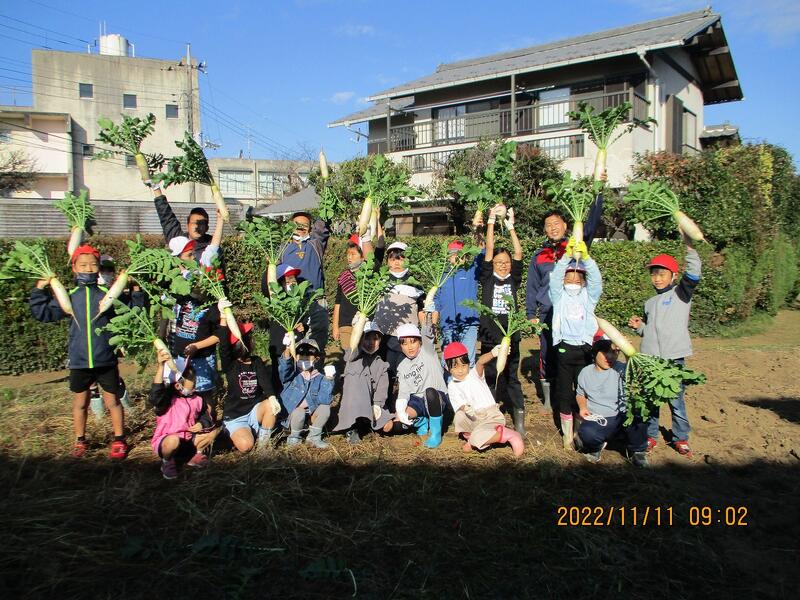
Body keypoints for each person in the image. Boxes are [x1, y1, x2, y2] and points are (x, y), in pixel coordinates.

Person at [29, 245, 128, 459]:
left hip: (105, 359)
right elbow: (43, 313)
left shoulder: (107, 295)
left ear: (98, 268)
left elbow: (129, 312)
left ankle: (119, 439)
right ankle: (80, 440)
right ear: (74, 268)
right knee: (80, 403)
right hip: (79, 360)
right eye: (83, 265)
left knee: (112, 401)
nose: (88, 269)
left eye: (93, 265)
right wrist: (39, 289)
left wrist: (134, 290)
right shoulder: (70, 296)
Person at [525, 196, 603, 412]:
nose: (553, 228)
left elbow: (591, 225)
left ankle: (580, 396)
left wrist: (598, 195)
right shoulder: (539, 255)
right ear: (544, 230)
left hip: (573, 313)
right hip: (547, 313)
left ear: (566, 225)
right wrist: (531, 313)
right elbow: (532, 286)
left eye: (556, 223)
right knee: (547, 354)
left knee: (578, 354)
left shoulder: (575, 248)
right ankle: (551, 399)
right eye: (548, 225)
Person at [628, 231, 701, 457]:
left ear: (673, 276)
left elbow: (694, 272)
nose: (657, 278)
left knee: (675, 401)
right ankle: (651, 435)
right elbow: (650, 331)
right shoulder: (649, 303)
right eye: (654, 274)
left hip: (673, 359)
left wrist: (689, 246)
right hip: (652, 360)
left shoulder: (681, 294)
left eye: (662, 274)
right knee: (652, 400)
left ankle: (681, 438)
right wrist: (639, 327)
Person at [164, 212, 226, 413]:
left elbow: (213, 247)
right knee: (181, 392)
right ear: (177, 259)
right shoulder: (170, 281)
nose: (194, 258)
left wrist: (220, 221)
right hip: (179, 349)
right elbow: (166, 316)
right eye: (189, 255)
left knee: (205, 392)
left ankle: (208, 422)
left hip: (202, 348)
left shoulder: (200, 272)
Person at [548, 239, 603, 449]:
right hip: (564, 348)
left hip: (584, 349)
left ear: (582, 281)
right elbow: (554, 279)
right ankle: (567, 436)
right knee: (564, 392)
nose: (572, 281)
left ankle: (581, 431)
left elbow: (596, 281)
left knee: (584, 391)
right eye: (568, 277)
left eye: (576, 278)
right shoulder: (559, 297)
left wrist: (586, 259)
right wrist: (565, 258)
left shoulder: (589, 297)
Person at [477, 205, 526, 434]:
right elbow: (489, 248)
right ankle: (490, 416)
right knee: (490, 377)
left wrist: (511, 228)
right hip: (490, 335)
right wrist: (490, 221)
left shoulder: (513, 278)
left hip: (510, 336)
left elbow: (519, 253)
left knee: (512, 378)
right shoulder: (488, 277)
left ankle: (519, 418)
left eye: (506, 262)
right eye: (499, 262)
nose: (503, 265)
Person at [574, 339, 648, 467]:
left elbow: (635, 371)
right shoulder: (586, 372)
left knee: (639, 419)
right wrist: (583, 407)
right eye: (605, 353)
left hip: (622, 417)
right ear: (595, 353)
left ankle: (638, 451)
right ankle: (596, 448)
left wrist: (627, 350)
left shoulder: (620, 369)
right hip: (599, 419)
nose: (610, 357)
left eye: (614, 353)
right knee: (587, 433)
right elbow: (580, 394)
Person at [444, 342, 524, 457]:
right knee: (459, 417)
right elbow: (458, 404)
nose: (460, 370)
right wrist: (465, 408)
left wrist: (492, 353)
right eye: (455, 367)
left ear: (469, 364)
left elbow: (481, 362)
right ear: (448, 368)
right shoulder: (452, 385)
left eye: (463, 365)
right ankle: (476, 438)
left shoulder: (474, 374)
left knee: (476, 438)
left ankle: (510, 435)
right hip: (475, 417)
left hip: (491, 416)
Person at [218, 312, 281, 454]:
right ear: (242, 343)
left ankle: (264, 446)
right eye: (249, 337)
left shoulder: (256, 361)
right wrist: (223, 318)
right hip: (236, 417)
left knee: (270, 405)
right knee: (246, 446)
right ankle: (229, 432)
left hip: (254, 411)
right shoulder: (231, 365)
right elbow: (223, 346)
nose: (252, 340)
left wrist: (272, 397)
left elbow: (265, 382)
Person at [148, 351, 218, 479]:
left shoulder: (197, 399)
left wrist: (201, 424)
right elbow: (155, 395)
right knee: (173, 441)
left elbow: (206, 417)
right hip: (168, 440)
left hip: (188, 440)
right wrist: (161, 366)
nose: (194, 385)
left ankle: (194, 456)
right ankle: (167, 461)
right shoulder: (167, 399)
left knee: (214, 432)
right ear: (177, 385)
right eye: (192, 381)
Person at [382, 323, 448, 449]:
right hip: (417, 400)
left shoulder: (427, 351)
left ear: (420, 342)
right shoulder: (401, 364)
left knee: (430, 393)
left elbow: (427, 334)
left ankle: (435, 433)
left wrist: (426, 321)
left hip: (436, 397)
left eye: (413, 342)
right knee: (396, 422)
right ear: (400, 346)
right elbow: (404, 392)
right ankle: (421, 420)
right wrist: (401, 411)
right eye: (404, 343)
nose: (409, 347)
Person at [265, 264, 326, 394]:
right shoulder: (275, 300)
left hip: (297, 346)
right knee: (279, 376)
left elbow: (305, 319)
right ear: (279, 284)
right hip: (279, 347)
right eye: (287, 282)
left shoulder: (299, 300)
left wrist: (304, 326)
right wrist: (270, 265)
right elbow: (267, 284)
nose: (292, 284)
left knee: (296, 375)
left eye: (293, 281)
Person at [333, 321, 391, 444]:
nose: (371, 342)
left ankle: (365, 422)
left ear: (380, 340)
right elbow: (351, 353)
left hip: (371, 404)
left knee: (388, 426)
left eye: (375, 339)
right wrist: (357, 331)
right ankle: (352, 426)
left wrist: (377, 405)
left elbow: (382, 388)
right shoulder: (354, 358)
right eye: (367, 338)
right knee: (356, 371)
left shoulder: (381, 364)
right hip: (353, 404)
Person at [373, 241, 425, 372]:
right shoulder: (379, 281)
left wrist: (426, 329)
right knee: (385, 371)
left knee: (408, 370)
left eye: (401, 259)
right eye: (392, 259)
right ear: (387, 262)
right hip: (384, 336)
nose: (396, 263)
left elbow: (421, 309)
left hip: (407, 338)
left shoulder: (414, 283)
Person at [433, 239, 483, 367]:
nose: (457, 257)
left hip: (469, 323)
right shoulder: (441, 276)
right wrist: (433, 324)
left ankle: (468, 381)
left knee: (468, 361)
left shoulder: (472, 271)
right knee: (449, 363)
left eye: (460, 254)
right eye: (453, 254)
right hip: (448, 325)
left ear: (466, 256)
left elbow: (482, 254)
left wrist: (479, 236)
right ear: (448, 256)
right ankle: (448, 380)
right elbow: (436, 302)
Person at [278, 337, 335, 448]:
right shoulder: (291, 375)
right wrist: (288, 349)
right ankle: (294, 438)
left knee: (325, 408)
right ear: (295, 356)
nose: (304, 357)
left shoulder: (320, 378)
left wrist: (329, 380)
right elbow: (284, 368)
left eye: (309, 355)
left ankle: (314, 437)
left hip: (309, 416)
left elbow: (325, 400)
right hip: (293, 416)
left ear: (316, 359)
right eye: (301, 354)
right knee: (299, 412)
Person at [333, 227, 383, 351]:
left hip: (367, 323)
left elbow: (379, 247)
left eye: (353, 254)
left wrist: (376, 222)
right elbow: (338, 302)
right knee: (349, 355)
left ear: (362, 257)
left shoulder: (371, 273)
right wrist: (335, 326)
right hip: (346, 324)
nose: (349, 257)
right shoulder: (344, 276)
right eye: (348, 254)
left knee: (367, 355)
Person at [151, 180, 215, 265]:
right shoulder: (178, 239)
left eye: (201, 224)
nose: (197, 227)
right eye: (194, 223)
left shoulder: (211, 244)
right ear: (187, 226)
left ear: (207, 228)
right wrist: (155, 187)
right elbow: (166, 217)